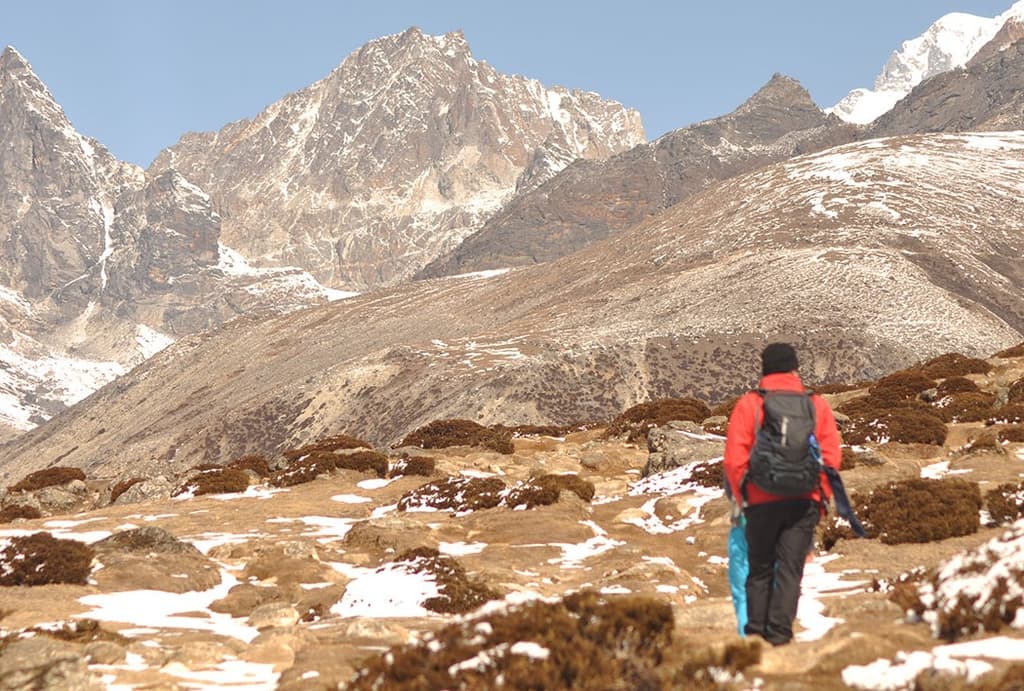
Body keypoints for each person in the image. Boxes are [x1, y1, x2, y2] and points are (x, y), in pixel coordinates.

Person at [723, 343, 842, 646]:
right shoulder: (815, 404)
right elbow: (830, 456)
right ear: (794, 369)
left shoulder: (750, 404)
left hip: (760, 501)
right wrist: (821, 495)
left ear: (764, 370)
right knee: (790, 570)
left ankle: (755, 636)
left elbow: (735, 459)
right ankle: (780, 635)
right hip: (804, 502)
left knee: (760, 569)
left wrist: (742, 496)